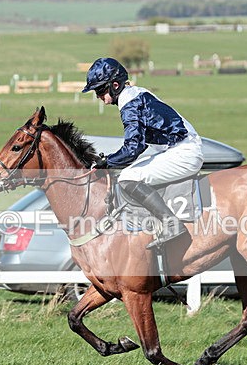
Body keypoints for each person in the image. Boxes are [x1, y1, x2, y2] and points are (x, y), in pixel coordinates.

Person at [82, 57, 204, 249]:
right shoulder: (135, 94)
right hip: (179, 148)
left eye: (100, 90)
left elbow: (134, 147)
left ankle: (171, 223)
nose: (98, 96)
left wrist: (107, 162)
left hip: (184, 152)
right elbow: (139, 145)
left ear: (115, 85)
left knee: (127, 177)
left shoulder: (129, 103)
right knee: (130, 172)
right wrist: (111, 160)